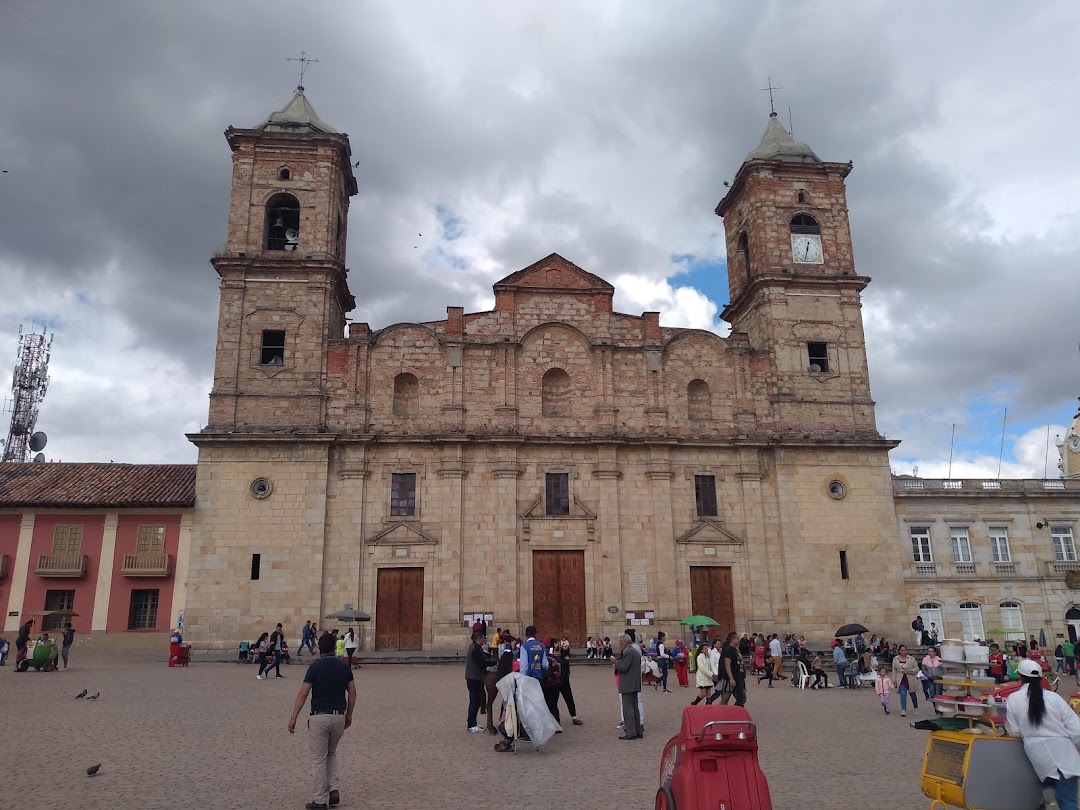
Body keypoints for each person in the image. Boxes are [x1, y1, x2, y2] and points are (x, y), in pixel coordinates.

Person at [288, 631, 356, 810]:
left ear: (319, 648)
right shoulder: (344, 667)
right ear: (335, 647)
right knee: (331, 753)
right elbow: (353, 692)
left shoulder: (315, 667)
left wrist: (294, 717)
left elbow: (303, 693)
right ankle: (334, 790)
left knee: (319, 759)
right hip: (338, 717)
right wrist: (349, 714)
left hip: (319, 717)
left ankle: (320, 800)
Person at [1006, 658, 1080, 810]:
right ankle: (1050, 797)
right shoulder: (1054, 698)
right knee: (1068, 800)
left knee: (1048, 793)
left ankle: (1049, 797)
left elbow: (1013, 731)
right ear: (1041, 678)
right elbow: (1076, 728)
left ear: (1020, 677)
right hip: (1065, 754)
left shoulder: (1013, 699)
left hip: (1037, 756)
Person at [614, 634, 642, 740]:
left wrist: (616, 663)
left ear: (625, 642)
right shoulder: (634, 651)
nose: (619, 645)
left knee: (628, 709)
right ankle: (637, 730)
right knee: (634, 708)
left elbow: (624, 667)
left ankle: (631, 732)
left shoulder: (628, 652)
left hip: (628, 684)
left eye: (620, 642)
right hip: (634, 683)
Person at [465, 630, 494, 733]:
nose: (485, 640)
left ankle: (473, 722)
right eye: (483, 638)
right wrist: (494, 663)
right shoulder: (475, 649)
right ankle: (471, 724)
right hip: (474, 677)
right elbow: (481, 662)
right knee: (475, 701)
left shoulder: (475, 647)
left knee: (476, 700)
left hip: (473, 677)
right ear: (479, 638)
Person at [715, 632, 747, 707]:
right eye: (737, 638)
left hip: (738, 678)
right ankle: (720, 714)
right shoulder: (728, 650)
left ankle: (735, 713)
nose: (738, 640)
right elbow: (727, 664)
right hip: (730, 679)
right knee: (727, 700)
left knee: (741, 699)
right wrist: (731, 678)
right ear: (732, 640)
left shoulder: (735, 650)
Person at [892, 644, 920, 717]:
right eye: (902, 650)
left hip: (910, 679)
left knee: (913, 695)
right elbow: (894, 670)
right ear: (899, 651)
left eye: (905, 650)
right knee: (903, 695)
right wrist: (894, 680)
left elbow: (917, 668)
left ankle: (915, 707)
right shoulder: (895, 659)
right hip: (901, 679)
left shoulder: (911, 659)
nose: (904, 651)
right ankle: (903, 709)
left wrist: (910, 671)